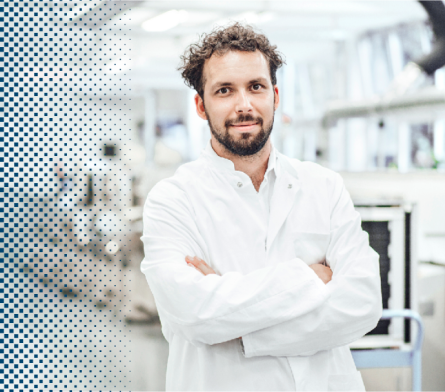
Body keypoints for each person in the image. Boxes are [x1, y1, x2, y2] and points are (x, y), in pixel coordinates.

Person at [140, 23, 382, 391]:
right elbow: (197, 315)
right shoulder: (173, 201)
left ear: (276, 96)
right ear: (201, 106)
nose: (244, 105)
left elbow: (362, 303)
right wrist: (310, 278)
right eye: (225, 90)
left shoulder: (324, 187)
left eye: (256, 87)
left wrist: (243, 333)